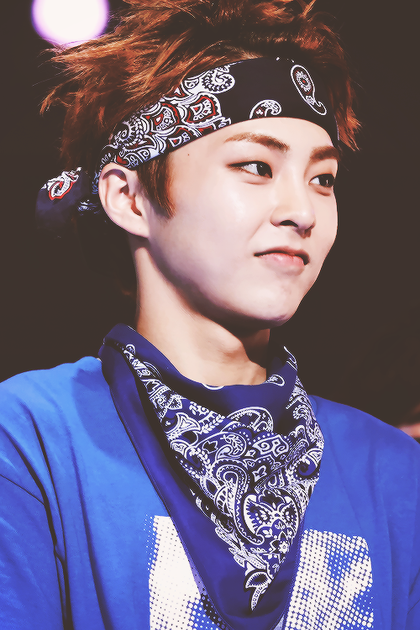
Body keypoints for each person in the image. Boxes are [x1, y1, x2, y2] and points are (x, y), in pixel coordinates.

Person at [1, 1, 419, 629]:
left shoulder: (393, 472)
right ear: (129, 198)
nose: (302, 211)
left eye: (324, 179)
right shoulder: (34, 439)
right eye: (256, 166)